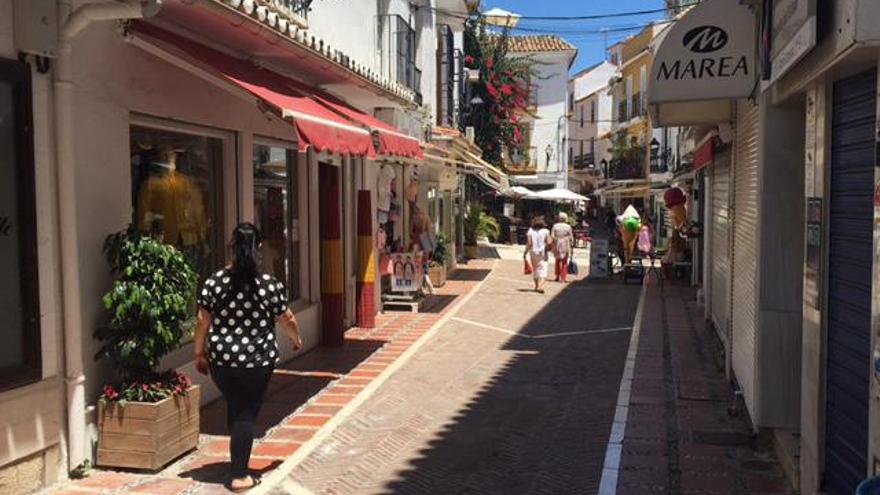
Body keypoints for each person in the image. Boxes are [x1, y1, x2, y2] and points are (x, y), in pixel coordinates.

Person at [194, 223, 303, 492]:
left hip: (222, 360)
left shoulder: (214, 282)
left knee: (235, 404)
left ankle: (236, 460)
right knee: (246, 412)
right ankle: (240, 475)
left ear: (232, 247)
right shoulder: (267, 285)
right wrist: (296, 339)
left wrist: (198, 352)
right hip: (256, 360)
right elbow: (287, 317)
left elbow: (201, 321)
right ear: (259, 249)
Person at [524, 215, 551, 293]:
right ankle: (540, 286)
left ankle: (536, 286)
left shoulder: (530, 231)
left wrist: (525, 252)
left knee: (535, 269)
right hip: (542, 252)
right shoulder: (546, 231)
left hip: (532, 252)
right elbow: (549, 242)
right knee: (543, 270)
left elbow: (529, 243)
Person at [551, 212, 574, 283]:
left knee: (557, 260)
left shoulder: (555, 226)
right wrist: (572, 244)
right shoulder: (568, 226)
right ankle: (563, 277)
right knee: (564, 261)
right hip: (565, 243)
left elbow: (552, 235)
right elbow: (571, 237)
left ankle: (557, 276)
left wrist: (554, 243)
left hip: (557, 242)